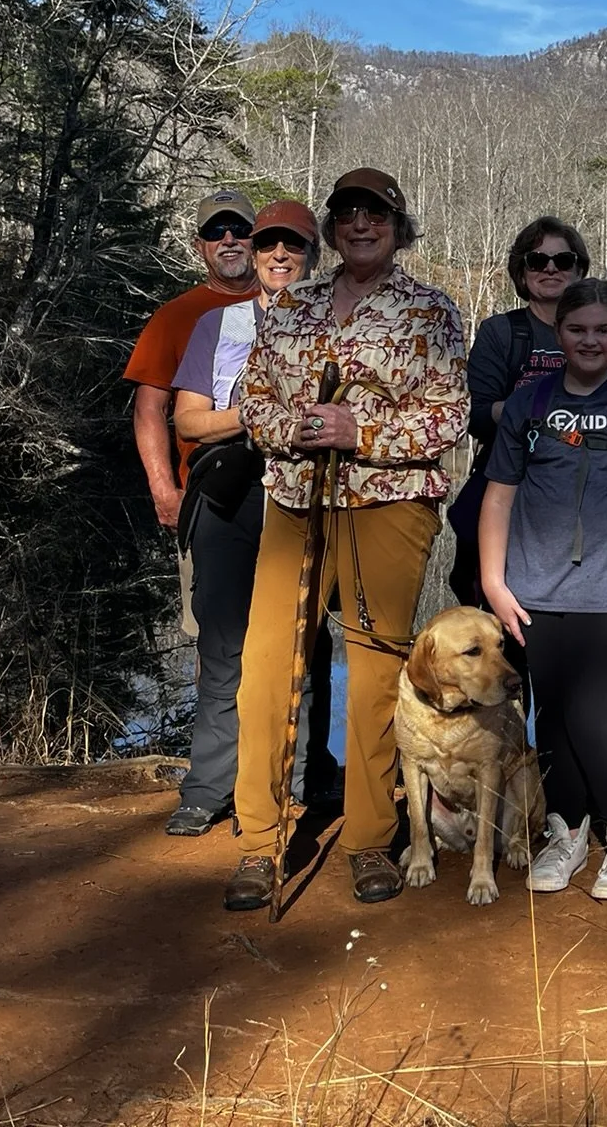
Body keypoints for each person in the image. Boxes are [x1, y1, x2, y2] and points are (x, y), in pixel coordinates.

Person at [223, 168, 470, 911]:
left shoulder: (429, 310)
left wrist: (359, 430)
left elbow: (449, 416)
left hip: (387, 504)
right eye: (348, 214)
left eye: (377, 215)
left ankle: (367, 840)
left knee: (372, 675)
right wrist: (289, 427)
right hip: (296, 502)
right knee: (268, 666)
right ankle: (260, 841)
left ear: (398, 227)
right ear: (332, 227)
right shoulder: (290, 304)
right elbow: (252, 398)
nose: (361, 225)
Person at [480, 279, 607, 900]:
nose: (589, 341)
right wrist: (494, 581)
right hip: (533, 589)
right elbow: (498, 497)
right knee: (549, 710)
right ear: (559, 334)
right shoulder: (529, 405)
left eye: (603, 330)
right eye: (576, 330)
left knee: (588, 709)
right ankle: (566, 831)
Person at [164, 200, 334, 837]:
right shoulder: (221, 324)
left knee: (301, 644)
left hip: (306, 498)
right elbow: (187, 418)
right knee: (223, 647)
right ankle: (208, 788)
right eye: (268, 247)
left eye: (293, 246)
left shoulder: (337, 326)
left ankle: (296, 780)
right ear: (255, 257)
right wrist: (260, 417)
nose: (280, 256)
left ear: (314, 256)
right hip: (230, 496)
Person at [123, 188, 258, 637]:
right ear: (199, 245)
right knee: (214, 639)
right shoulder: (174, 317)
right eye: (215, 231)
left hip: (286, 502)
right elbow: (149, 408)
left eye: (240, 228)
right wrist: (164, 490)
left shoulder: (292, 305)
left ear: (257, 239)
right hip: (208, 501)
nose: (229, 239)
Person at [448, 216, 590, 608]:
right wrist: (526, 411)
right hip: (506, 496)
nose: (549, 268)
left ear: (579, 271)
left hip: (581, 502)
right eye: (536, 260)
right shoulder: (501, 332)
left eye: (562, 261)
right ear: (520, 271)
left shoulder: (601, 334)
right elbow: (472, 414)